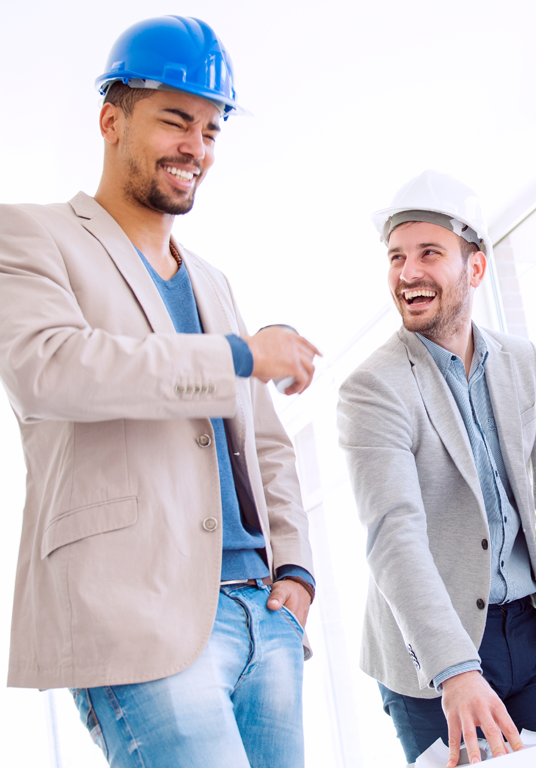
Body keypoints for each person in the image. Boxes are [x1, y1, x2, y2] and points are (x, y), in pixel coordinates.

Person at [0, 17, 320, 767]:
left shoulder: (213, 282)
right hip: (138, 612)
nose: (196, 149)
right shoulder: (31, 236)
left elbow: (266, 443)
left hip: (264, 615)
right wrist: (239, 354)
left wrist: (298, 572)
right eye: (176, 120)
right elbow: (53, 368)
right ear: (111, 120)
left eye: (211, 129)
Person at [337, 170, 536, 766]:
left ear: (475, 268)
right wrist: (455, 671)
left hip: (528, 634)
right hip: (431, 660)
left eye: (429, 254)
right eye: (396, 257)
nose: (408, 273)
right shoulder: (373, 388)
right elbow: (395, 537)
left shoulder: (520, 362)